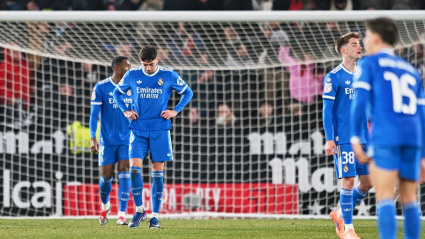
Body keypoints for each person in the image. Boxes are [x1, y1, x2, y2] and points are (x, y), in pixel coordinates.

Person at [350, 17, 425, 239]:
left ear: (374, 37)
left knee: (384, 197)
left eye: (365, 36)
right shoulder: (410, 70)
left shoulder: (368, 64)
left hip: (386, 136)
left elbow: (359, 102)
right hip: (412, 138)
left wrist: (355, 137)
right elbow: (421, 113)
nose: (364, 41)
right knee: (410, 199)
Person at [113, 45, 193, 229]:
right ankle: (140, 210)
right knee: (133, 169)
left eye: (151, 64)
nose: (148, 68)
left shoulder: (169, 74)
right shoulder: (132, 75)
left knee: (157, 173)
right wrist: (126, 111)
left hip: (160, 130)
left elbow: (188, 92)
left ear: (157, 59)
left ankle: (155, 217)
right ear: (140, 62)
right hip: (138, 130)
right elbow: (117, 93)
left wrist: (175, 111)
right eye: (145, 64)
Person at [322, 32, 373, 239]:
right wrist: (329, 137)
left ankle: (340, 213)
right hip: (344, 137)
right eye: (354, 44)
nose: (359, 47)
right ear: (344, 50)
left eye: (359, 43)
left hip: (364, 138)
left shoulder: (363, 74)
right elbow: (327, 110)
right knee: (349, 180)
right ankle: (348, 229)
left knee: (368, 182)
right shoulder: (333, 76)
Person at [89, 56, 132, 225]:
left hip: (127, 138)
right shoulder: (101, 87)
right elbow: (94, 114)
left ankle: (122, 213)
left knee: (124, 171)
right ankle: (105, 204)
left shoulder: (133, 87)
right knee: (106, 177)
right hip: (107, 140)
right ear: (116, 67)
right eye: (126, 65)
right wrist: (93, 137)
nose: (129, 68)